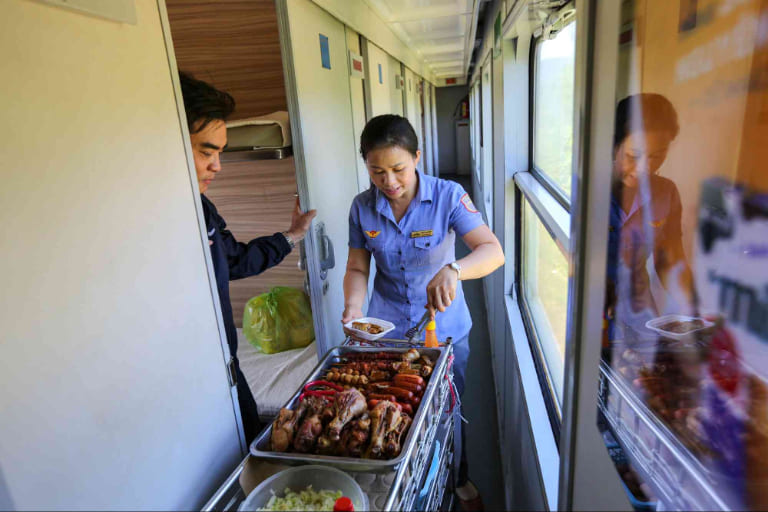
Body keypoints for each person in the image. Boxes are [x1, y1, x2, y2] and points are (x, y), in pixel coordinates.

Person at [341, 115, 504, 509]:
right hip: (388, 329)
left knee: (447, 408)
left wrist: (455, 269)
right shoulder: (362, 208)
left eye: (398, 169)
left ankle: (458, 477)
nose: (389, 182)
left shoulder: (447, 195)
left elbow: (492, 251)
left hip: (443, 328)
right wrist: (352, 309)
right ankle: (400, 482)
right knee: (390, 405)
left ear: (417, 157)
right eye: (377, 171)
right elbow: (358, 267)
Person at [179, 72, 316, 443]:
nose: (217, 166)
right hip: (181, 380)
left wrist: (292, 236)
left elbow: (234, 260)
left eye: (220, 153)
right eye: (207, 152)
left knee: (251, 441)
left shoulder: (201, 209)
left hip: (225, 364)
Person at [605, 93, 695, 342]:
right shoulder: (583, 188)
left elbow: (670, 261)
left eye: (657, 155)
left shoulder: (666, 192)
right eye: (633, 156)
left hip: (640, 312)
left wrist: (694, 310)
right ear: (614, 145)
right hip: (589, 310)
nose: (645, 167)